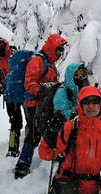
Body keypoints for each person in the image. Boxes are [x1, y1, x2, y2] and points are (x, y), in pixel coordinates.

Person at [14, 33, 68, 179]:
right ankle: (22, 165)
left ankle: (52, 156)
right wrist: (45, 91)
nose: (60, 53)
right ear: (52, 47)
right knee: (33, 133)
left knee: (47, 130)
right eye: (58, 49)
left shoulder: (50, 63)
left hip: (44, 105)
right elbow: (29, 83)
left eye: (61, 50)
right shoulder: (37, 60)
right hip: (33, 104)